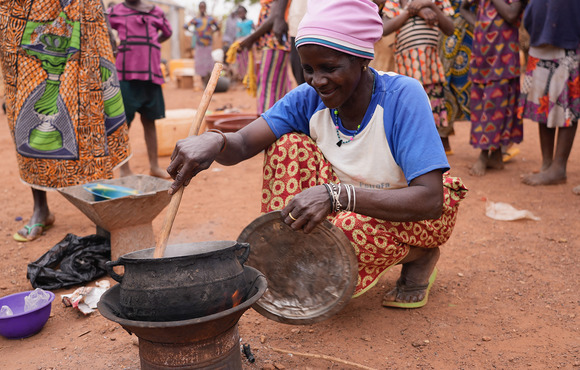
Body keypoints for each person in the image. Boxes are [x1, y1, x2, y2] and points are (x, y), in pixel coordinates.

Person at [167, 0, 467, 309]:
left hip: (410, 213)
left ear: (362, 59)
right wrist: (214, 140)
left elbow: (429, 200)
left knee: (347, 233)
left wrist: (336, 196)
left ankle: (420, 255)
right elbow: (243, 143)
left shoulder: (402, 96)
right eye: (308, 69)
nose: (317, 81)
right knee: (287, 147)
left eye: (330, 68)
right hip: (341, 205)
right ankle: (294, 254)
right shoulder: (308, 98)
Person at [0, 0, 130, 241]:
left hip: (80, 11)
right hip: (24, 14)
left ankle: (101, 207)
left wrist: (103, 19)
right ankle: (41, 209)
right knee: (26, 119)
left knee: (91, 109)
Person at [518, 0, 580, 187]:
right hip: (539, 39)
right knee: (542, 103)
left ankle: (558, 167)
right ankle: (547, 163)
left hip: (567, 39)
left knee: (565, 107)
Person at [108, 0, 172, 179]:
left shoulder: (156, 12)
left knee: (150, 121)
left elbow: (167, 32)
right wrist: (113, 45)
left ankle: (154, 166)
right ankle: (124, 169)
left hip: (151, 75)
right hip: (125, 76)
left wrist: (153, 44)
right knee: (123, 124)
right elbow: (103, 27)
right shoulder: (116, 11)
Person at [382, 0, 456, 154]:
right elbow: (384, 29)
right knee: (410, 108)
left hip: (431, 66)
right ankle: (414, 150)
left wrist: (430, 5)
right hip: (407, 66)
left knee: (434, 108)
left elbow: (450, 29)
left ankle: (436, 151)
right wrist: (412, 11)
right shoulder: (395, 2)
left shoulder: (435, 2)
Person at [461, 0, 525, 176]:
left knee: (496, 105)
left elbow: (512, 15)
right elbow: (463, 8)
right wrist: (481, 25)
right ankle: (495, 156)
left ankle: (484, 154)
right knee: (481, 103)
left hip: (503, 56)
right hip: (482, 54)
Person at [239, 0, 292, 115]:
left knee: (268, 86)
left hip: (273, 44)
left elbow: (273, 18)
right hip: (275, 45)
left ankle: (266, 124)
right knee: (277, 88)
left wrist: (251, 38)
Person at [438, 0, 475, 155]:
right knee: (444, 83)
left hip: (472, 32)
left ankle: (496, 144)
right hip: (446, 31)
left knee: (473, 85)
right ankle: (443, 139)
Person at [185, 1, 220, 86]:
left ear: (205, 8)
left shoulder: (210, 19)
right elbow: (185, 26)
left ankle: (209, 82)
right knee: (200, 63)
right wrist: (194, 33)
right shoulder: (196, 19)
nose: (202, 8)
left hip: (208, 44)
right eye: (201, 7)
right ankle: (202, 82)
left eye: (203, 7)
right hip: (199, 44)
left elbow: (218, 26)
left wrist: (211, 32)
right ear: (199, 8)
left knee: (208, 63)